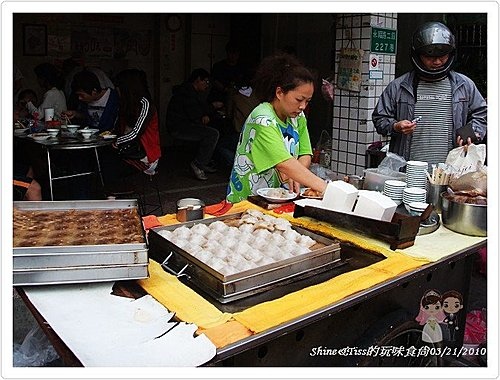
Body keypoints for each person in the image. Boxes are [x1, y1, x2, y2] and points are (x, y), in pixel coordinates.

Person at [372, 21, 487, 166]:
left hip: (451, 168)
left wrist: (473, 132)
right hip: (408, 168)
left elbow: (482, 113)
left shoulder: (464, 85)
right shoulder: (398, 86)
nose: (438, 61)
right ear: (418, 55)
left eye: (443, 56)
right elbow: (380, 118)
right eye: (430, 57)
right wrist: (395, 126)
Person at [226, 53, 328, 203]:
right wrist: (327, 189)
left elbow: (305, 153)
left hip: (279, 199)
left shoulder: (298, 117)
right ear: (279, 93)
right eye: (299, 99)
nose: (303, 106)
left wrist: (296, 175)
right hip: (248, 200)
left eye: (308, 101)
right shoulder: (262, 119)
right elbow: (284, 163)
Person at [99, 69, 161, 191]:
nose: (116, 90)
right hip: (126, 151)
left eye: (118, 87)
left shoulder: (145, 104)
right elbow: (117, 128)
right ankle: (110, 196)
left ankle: (112, 198)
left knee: (105, 168)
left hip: (144, 155)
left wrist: (116, 142)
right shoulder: (126, 103)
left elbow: (136, 133)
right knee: (98, 161)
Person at [166, 68, 220, 181]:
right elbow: (195, 113)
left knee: (210, 130)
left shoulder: (189, 91)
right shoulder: (186, 93)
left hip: (182, 124)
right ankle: (198, 164)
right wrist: (212, 108)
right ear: (198, 80)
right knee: (212, 134)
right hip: (179, 127)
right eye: (205, 81)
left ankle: (204, 162)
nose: (207, 85)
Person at [208, 41, 245, 108]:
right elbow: (213, 80)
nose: (233, 56)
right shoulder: (218, 66)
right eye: (231, 53)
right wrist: (225, 89)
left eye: (235, 53)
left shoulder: (241, 68)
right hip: (219, 97)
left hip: (237, 98)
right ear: (227, 53)